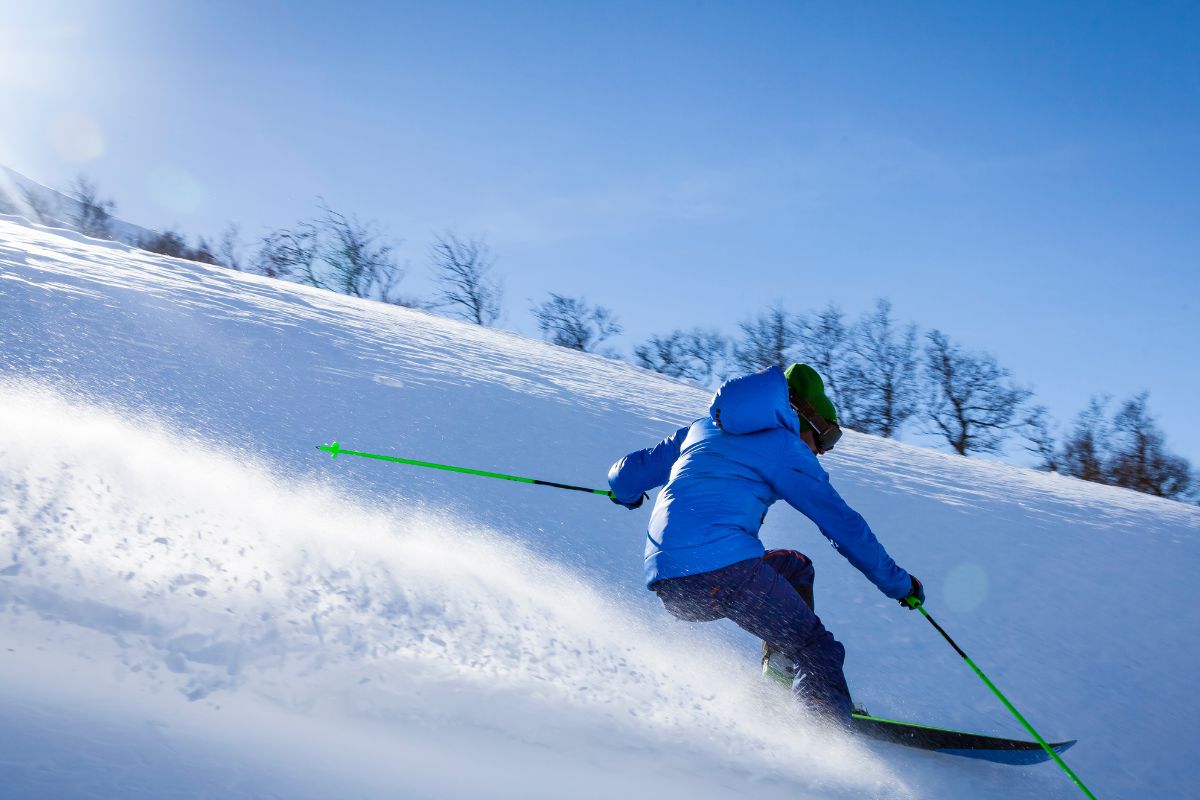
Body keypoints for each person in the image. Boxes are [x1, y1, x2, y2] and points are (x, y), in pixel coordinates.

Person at [608, 363, 924, 723]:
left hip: (671, 584)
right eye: (827, 437)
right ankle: (825, 733)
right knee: (816, 648)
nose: (822, 450)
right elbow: (843, 526)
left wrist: (626, 494)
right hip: (723, 571)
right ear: (806, 417)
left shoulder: (701, 429)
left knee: (794, 566)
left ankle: (778, 685)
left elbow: (626, 474)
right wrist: (899, 584)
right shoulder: (784, 448)